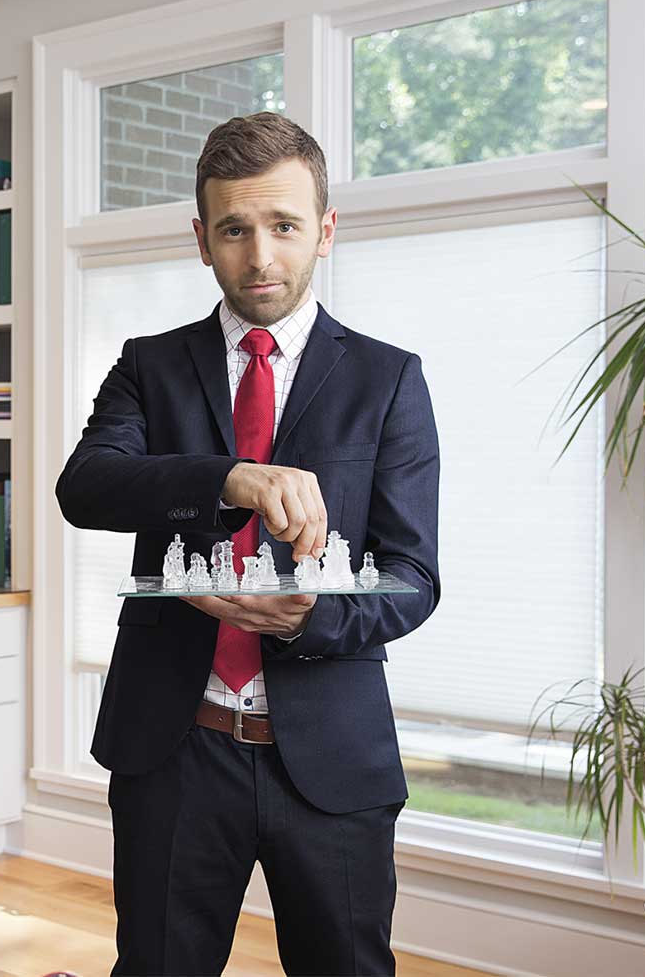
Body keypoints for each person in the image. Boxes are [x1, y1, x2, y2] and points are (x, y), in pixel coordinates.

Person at [55, 111, 441, 976]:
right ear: (202, 238)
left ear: (325, 232)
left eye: (283, 226)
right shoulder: (148, 366)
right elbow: (85, 488)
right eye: (234, 229)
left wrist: (306, 618)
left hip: (332, 763)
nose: (259, 255)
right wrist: (230, 477)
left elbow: (415, 577)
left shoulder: (389, 380)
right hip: (174, 749)